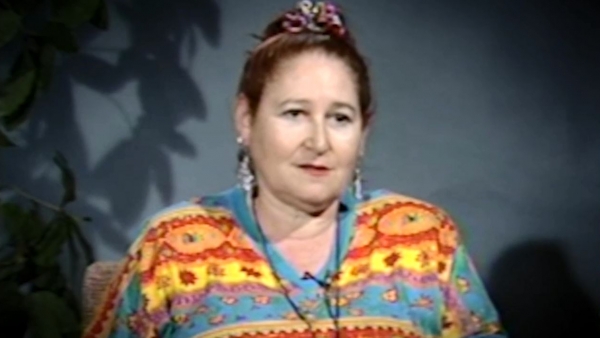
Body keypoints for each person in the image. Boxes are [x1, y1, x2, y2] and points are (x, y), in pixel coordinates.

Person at [83, 1, 507, 337]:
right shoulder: (174, 245)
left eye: (340, 118)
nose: (318, 142)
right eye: (294, 113)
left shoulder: (423, 237)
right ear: (246, 120)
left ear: (364, 131)